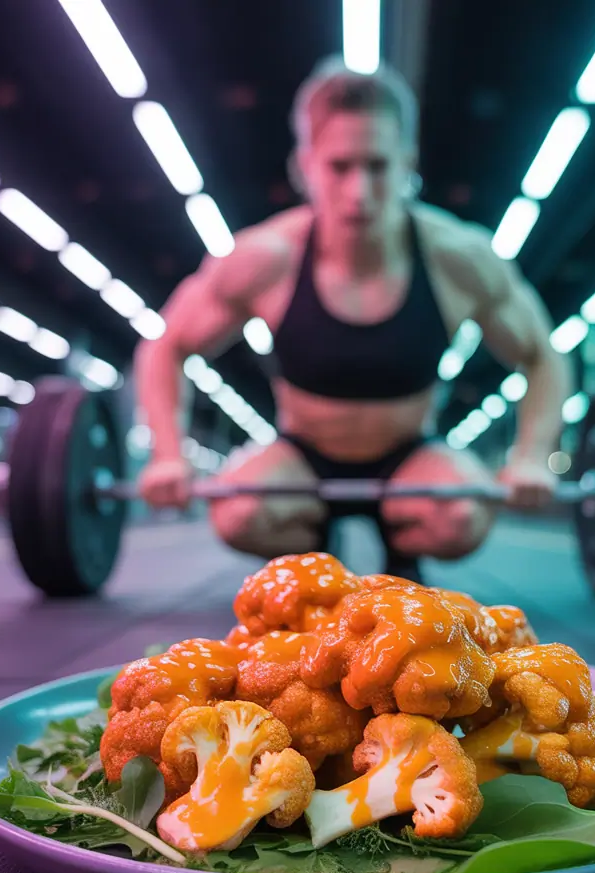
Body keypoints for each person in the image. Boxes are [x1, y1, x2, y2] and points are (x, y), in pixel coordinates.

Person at [134, 56, 571, 572]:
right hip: (302, 460)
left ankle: (401, 557)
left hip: (411, 460)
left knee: (462, 518)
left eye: (377, 166)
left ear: (407, 163)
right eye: (340, 167)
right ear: (305, 166)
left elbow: (542, 356)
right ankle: (313, 559)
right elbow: (166, 346)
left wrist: (531, 457)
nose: (359, 192)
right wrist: (167, 454)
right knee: (238, 515)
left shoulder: (458, 258)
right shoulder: (264, 258)